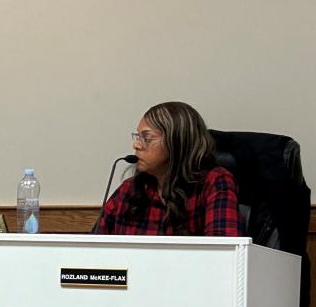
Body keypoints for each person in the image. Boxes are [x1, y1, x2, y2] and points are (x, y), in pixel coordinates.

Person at [96, 101, 240, 236]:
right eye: (137, 136)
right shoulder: (129, 189)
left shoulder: (214, 182)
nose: (136, 145)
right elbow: (93, 251)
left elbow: (226, 254)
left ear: (176, 142)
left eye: (147, 137)